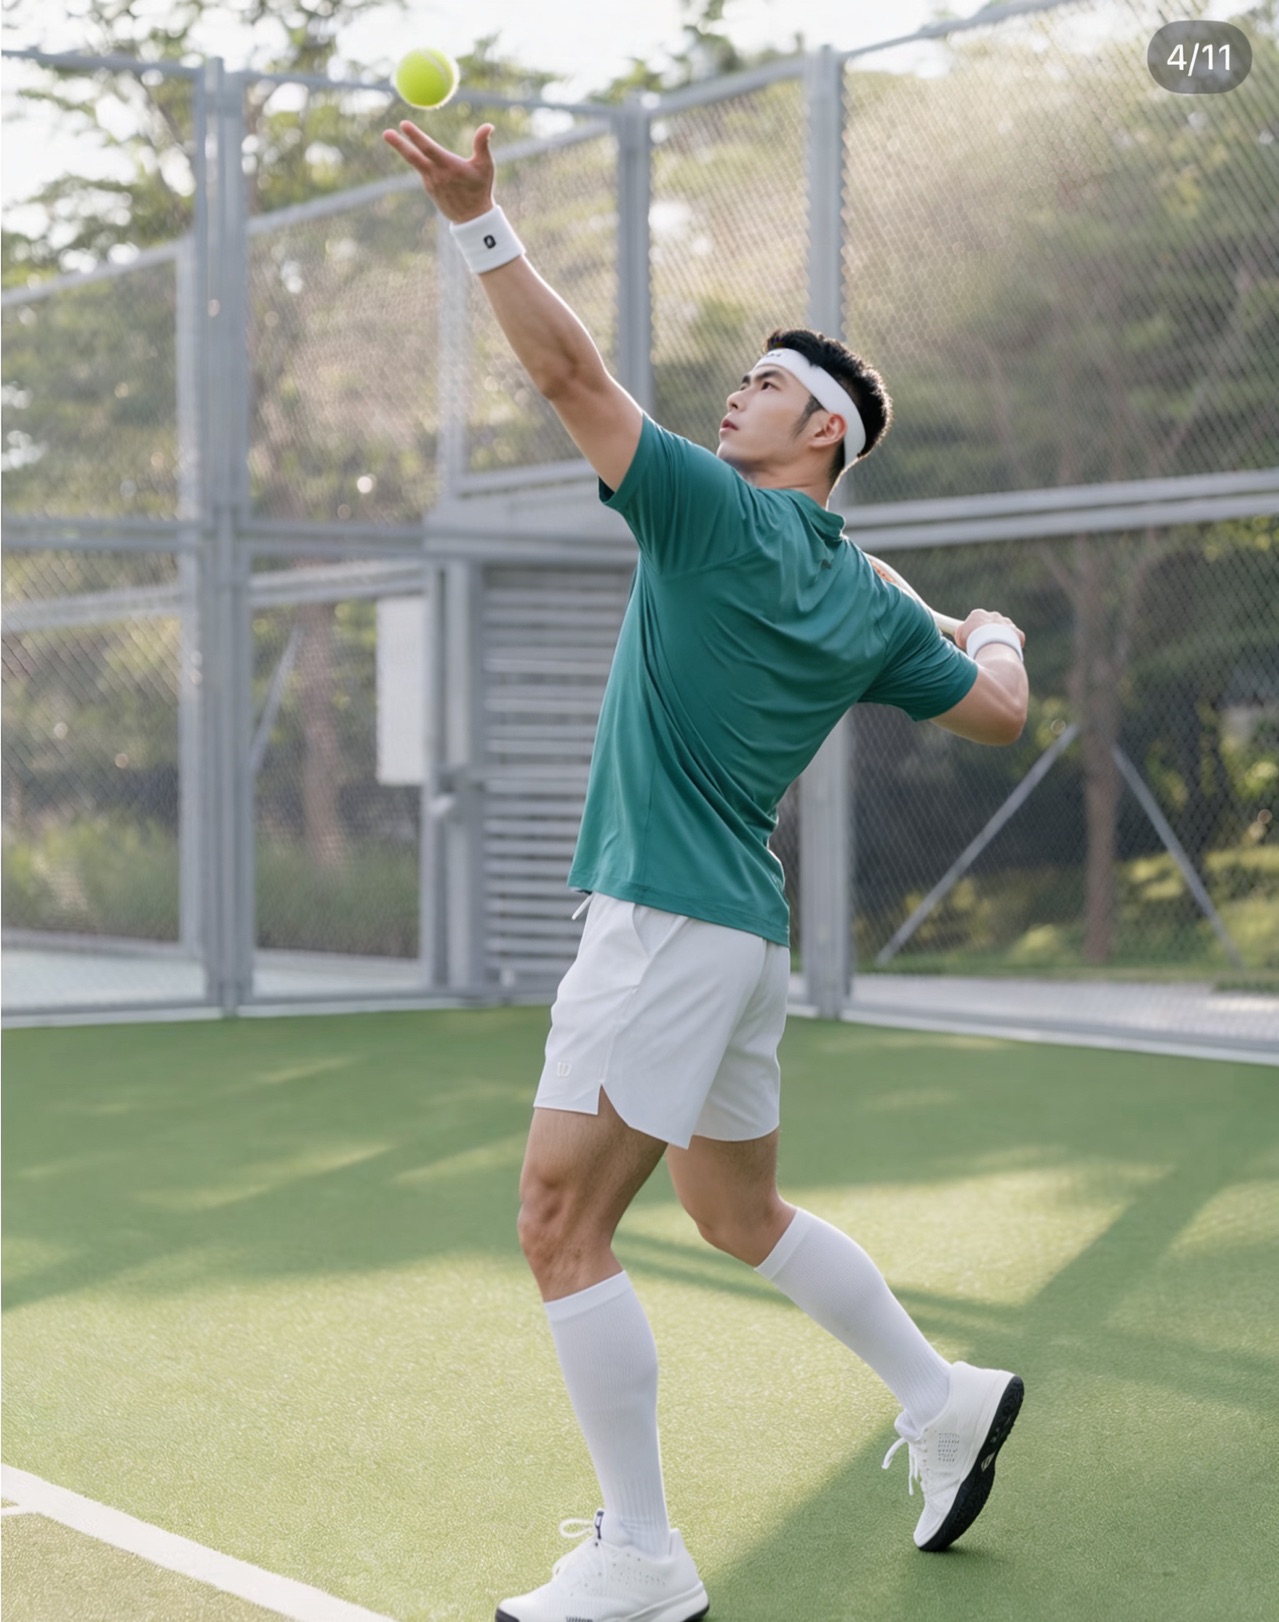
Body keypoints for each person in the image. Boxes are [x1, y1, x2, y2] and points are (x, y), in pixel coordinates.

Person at [385, 119, 1029, 1622]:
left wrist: (481, 223)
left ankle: (643, 1557)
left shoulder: (710, 510)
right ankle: (943, 1399)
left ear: (819, 437)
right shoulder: (866, 596)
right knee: (739, 1213)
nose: (736, 393)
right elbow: (999, 709)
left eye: (767, 386)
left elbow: (569, 377)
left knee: (560, 1223)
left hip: (668, 923)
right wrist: (985, 624)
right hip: (737, 934)